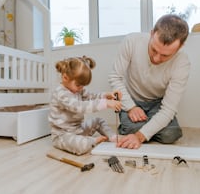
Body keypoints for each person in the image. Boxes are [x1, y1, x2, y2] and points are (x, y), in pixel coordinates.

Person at [108, 14, 190, 149]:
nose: (157, 59)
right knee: (132, 128)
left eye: (165, 55)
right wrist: (131, 107)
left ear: (180, 46)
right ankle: (140, 127)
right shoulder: (131, 41)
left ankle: (140, 128)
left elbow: (168, 109)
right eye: (154, 50)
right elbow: (115, 77)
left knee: (171, 134)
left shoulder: (182, 63)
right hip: (132, 100)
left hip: (157, 104)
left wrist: (139, 136)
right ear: (152, 34)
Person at [49, 55, 122, 155]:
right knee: (81, 145)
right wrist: (105, 104)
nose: (81, 88)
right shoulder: (61, 93)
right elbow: (79, 107)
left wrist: (106, 95)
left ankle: (113, 137)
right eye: (78, 85)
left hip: (78, 129)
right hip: (62, 135)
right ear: (65, 77)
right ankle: (92, 141)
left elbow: (91, 96)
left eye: (83, 86)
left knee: (98, 121)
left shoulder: (78, 90)